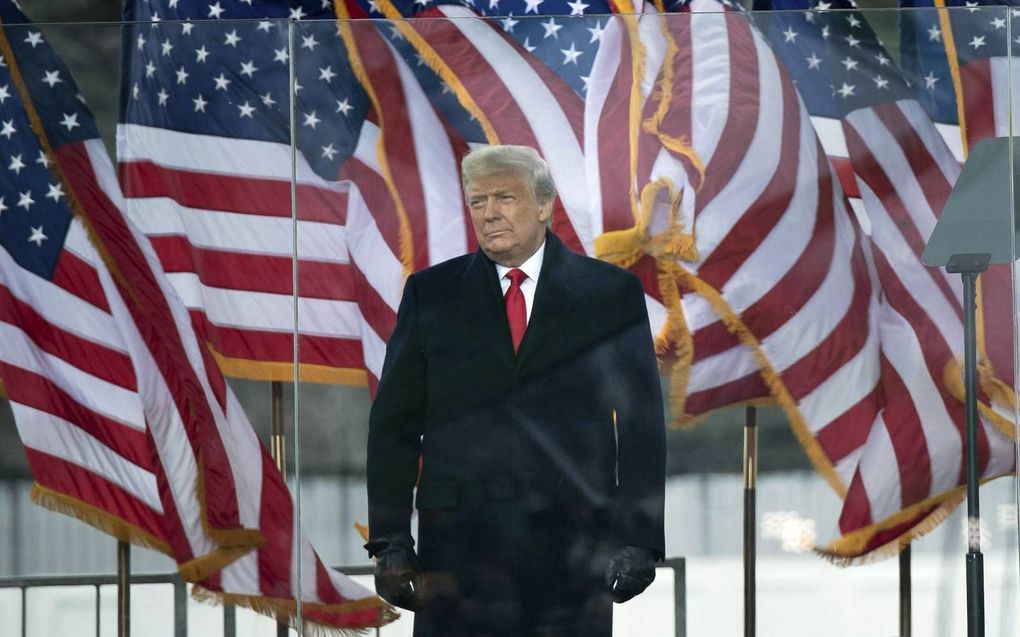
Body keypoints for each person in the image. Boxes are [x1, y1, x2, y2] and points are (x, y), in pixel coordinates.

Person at [365, 145, 666, 637]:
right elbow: (394, 427)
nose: (489, 213)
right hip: (458, 552)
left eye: (505, 197)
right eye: (478, 201)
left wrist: (639, 539)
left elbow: (641, 427)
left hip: (573, 548)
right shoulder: (431, 294)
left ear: (544, 206)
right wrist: (390, 540)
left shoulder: (609, 295)